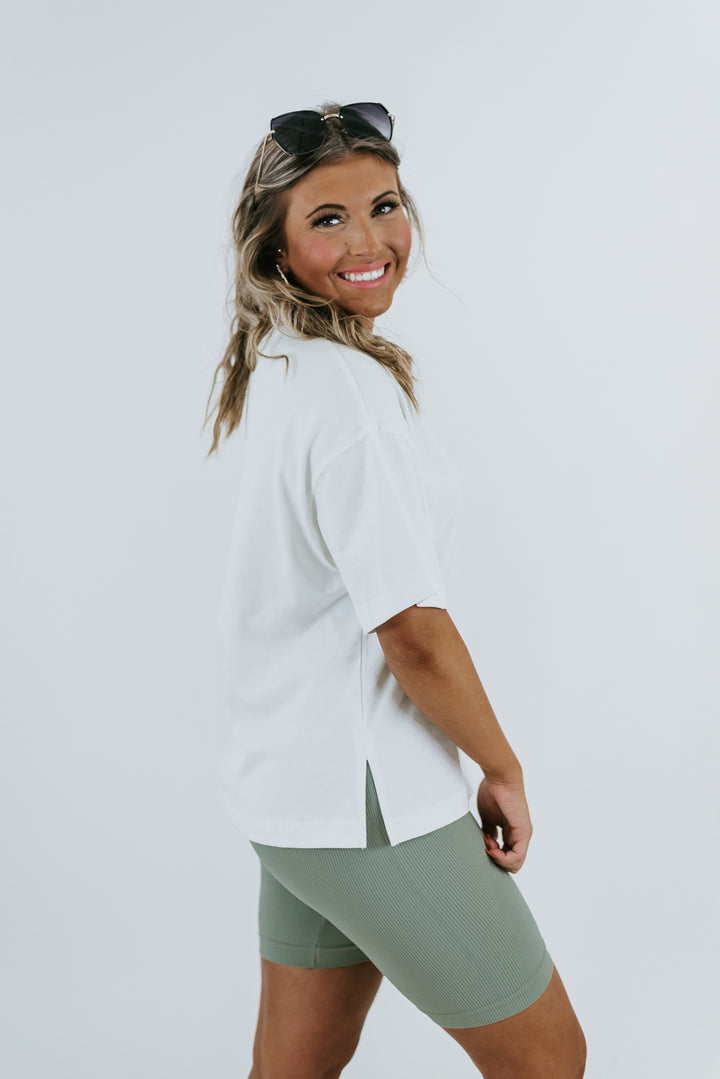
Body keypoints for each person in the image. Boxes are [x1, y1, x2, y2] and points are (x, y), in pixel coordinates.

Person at [204, 101, 586, 1079]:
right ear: (276, 245)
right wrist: (502, 766)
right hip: (367, 802)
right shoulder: (349, 396)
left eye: (384, 205)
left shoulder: (283, 366)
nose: (369, 241)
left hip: (294, 798)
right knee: (549, 1059)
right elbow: (410, 629)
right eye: (328, 218)